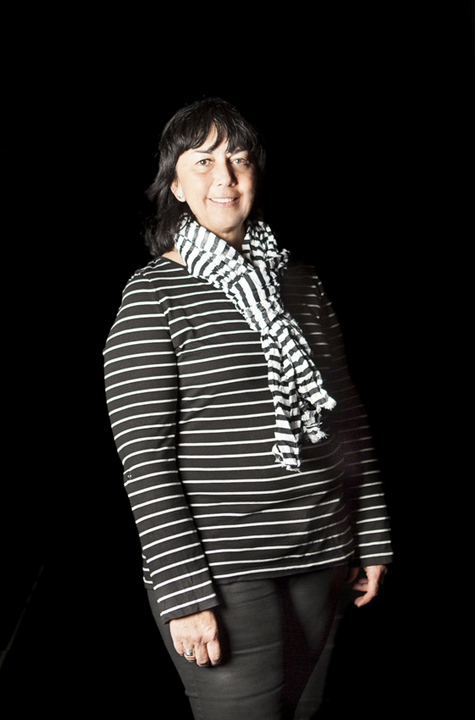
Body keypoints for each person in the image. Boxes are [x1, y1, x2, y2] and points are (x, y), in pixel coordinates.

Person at [103, 97, 392, 719]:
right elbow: (144, 457)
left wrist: (371, 537)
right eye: (203, 162)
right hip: (223, 572)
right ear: (175, 185)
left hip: (323, 551)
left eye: (238, 159)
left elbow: (347, 418)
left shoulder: (302, 283)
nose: (225, 177)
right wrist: (184, 592)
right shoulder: (153, 295)